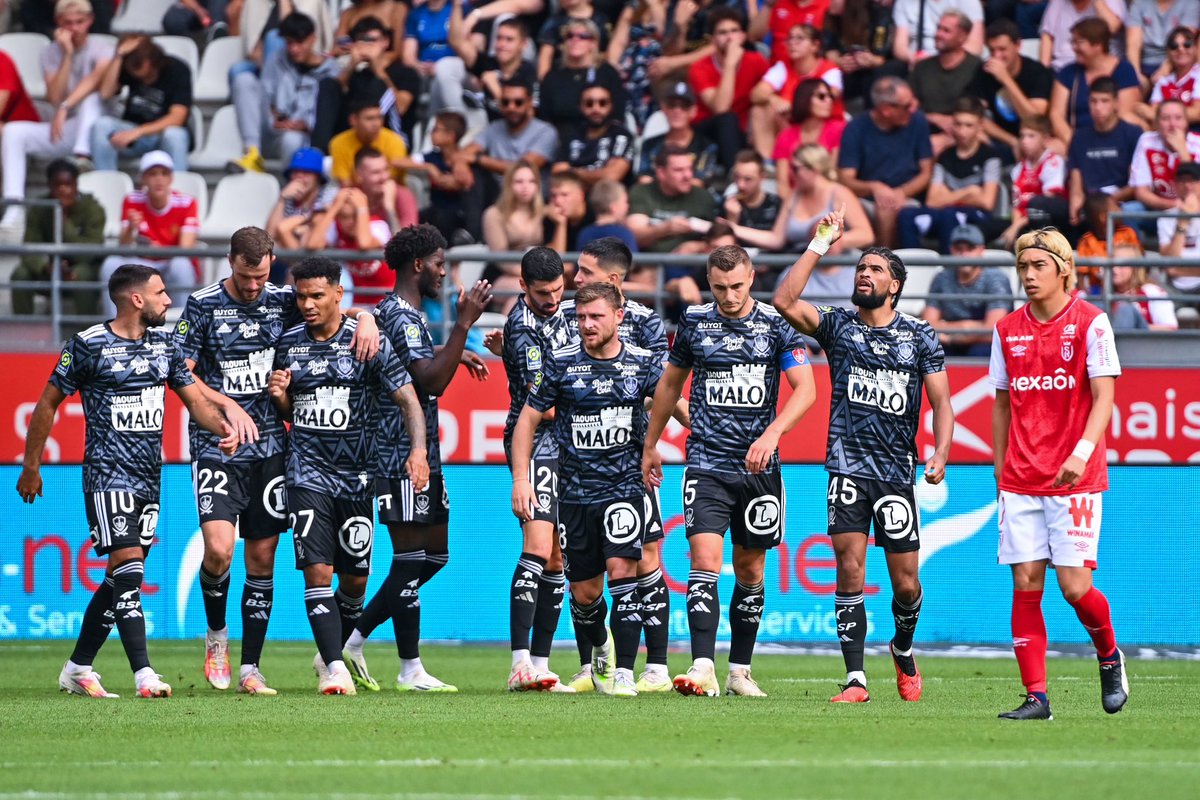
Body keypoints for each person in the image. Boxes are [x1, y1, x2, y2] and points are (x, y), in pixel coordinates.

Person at [17, 264, 241, 700]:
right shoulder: (87, 345)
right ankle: (144, 674)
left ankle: (78, 667)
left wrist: (223, 429)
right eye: (160, 293)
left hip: (148, 477)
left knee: (119, 579)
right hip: (107, 474)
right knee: (130, 570)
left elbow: (194, 401)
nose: (168, 300)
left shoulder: (165, 346)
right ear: (136, 299)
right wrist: (31, 465)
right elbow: (47, 403)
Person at [771, 207, 954, 704]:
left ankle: (902, 647)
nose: (864, 274)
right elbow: (785, 300)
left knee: (906, 584)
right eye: (860, 268)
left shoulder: (919, 335)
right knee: (849, 567)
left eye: (875, 269)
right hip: (845, 466)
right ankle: (856, 679)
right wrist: (820, 243)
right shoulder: (839, 327)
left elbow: (941, 403)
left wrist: (940, 451)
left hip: (896, 473)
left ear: (895, 285)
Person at [643, 245, 817, 697]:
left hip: (760, 467)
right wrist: (650, 444)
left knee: (750, 568)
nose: (730, 295)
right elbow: (669, 386)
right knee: (703, 560)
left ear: (752, 277)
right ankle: (703, 665)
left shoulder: (776, 325)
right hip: (707, 462)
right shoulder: (694, 322)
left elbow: (806, 390)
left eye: (737, 286)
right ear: (709, 282)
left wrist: (772, 434)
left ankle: (740, 671)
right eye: (720, 287)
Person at [339, 225, 492, 693]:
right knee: (409, 560)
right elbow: (429, 382)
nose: (445, 272)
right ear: (419, 264)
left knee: (435, 555)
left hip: (423, 453)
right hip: (400, 453)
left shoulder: (406, 316)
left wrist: (453, 350)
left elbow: (419, 365)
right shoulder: (400, 316)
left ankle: (353, 640)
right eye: (440, 263)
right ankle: (407, 667)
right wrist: (463, 325)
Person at [267, 256, 428, 695]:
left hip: (357, 478)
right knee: (317, 571)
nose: (307, 304)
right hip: (306, 474)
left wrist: (418, 451)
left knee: (355, 581)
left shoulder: (366, 341)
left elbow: (409, 400)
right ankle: (335, 668)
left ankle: (329, 652)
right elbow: (291, 412)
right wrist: (281, 398)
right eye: (301, 296)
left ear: (339, 294)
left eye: (317, 295)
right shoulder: (289, 342)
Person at [988, 227, 1128, 720]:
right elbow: (1001, 404)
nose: (1028, 275)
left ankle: (1109, 655)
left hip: (1075, 478)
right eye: (1022, 267)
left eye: (1038, 266)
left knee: (1074, 587)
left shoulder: (1091, 322)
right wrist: (1000, 467)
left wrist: (1082, 451)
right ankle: (1037, 697)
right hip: (1020, 477)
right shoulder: (1006, 329)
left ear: (1064, 270)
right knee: (1025, 582)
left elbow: (1105, 396)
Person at [511, 283, 665, 697]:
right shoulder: (560, 362)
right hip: (575, 494)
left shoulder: (642, 362)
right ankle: (601, 644)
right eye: (580, 317)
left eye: (596, 316)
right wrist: (522, 479)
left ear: (618, 317)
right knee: (584, 594)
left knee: (623, 572)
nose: (587, 324)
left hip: (623, 487)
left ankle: (625, 674)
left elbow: (670, 399)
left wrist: (655, 443)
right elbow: (527, 421)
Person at [557, 237, 680, 691]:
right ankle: (593, 664)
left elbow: (661, 392)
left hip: (631, 464)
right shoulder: (568, 321)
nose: (576, 278)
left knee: (644, 558)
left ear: (612, 281)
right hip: (577, 464)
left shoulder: (645, 324)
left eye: (585, 272)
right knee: (584, 582)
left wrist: (654, 440)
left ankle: (655, 666)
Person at [498, 248, 577, 692]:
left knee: (558, 555)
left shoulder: (566, 310)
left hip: (566, 445)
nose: (552, 299)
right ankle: (519, 662)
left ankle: (541, 664)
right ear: (523, 286)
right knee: (538, 545)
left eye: (558, 290)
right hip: (536, 443)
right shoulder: (523, 328)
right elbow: (542, 407)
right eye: (542, 293)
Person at [1, 0, 113, 227]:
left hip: (96, 129)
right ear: (58, 23)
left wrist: (64, 107)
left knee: (91, 100)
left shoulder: (104, 48)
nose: (75, 28)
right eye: (68, 23)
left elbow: (93, 83)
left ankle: (82, 157)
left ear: (90, 21)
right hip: (67, 127)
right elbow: (54, 96)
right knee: (13, 131)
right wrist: (67, 55)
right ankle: (14, 205)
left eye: (79, 22)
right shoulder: (50, 52)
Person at [228, 11, 338, 174]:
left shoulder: (332, 71)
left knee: (291, 139)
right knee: (243, 80)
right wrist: (273, 118)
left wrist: (306, 124)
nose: (294, 49)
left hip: (304, 138)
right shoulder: (276, 58)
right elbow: (265, 95)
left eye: (300, 42)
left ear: (313, 39)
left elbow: (329, 115)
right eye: (289, 43)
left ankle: (291, 183)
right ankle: (252, 153)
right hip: (271, 132)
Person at [306, 148, 417, 306]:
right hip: (355, 299)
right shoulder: (349, 198)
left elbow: (405, 244)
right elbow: (312, 244)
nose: (384, 177)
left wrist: (387, 207)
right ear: (359, 175)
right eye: (376, 172)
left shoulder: (378, 222)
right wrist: (334, 208)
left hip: (387, 299)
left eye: (385, 170)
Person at [455, 78, 560, 240]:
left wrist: (479, 159)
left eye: (518, 102)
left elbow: (523, 166)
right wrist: (461, 164)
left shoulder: (545, 131)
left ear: (530, 103)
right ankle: (472, 235)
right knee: (473, 172)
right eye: (505, 102)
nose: (511, 107)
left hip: (529, 191)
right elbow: (465, 153)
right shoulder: (494, 128)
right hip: (496, 191)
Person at [98, 151, 199, 318]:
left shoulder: (187, 203)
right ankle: (114, 324)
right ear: (143, 179)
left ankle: (184, 325)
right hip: (142, 262)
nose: (159, 179)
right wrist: (131, 228)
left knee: (181, 265)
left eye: (164, 174)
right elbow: (124, 247)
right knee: (111, 263)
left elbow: (185, 249)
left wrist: (157, 250)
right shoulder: (131, 199)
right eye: (152, 174)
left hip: (170, 262)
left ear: (171, 179)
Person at [837, 76, 934, 248]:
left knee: (887, 206)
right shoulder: (856, 128)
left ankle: (882, 257)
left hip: (908, 196)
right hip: (865, 200)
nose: (913, 108)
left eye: (913, 102)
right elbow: (845, 178)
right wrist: (874, 187)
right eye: (907, 106)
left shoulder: (918, 121)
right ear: (886, 109)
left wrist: (902, 192)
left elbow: (926, 171)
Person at [898, 97, 1004, 251]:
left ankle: (950, 265)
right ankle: (912, 265)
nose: (962, 131)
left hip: (977, 217)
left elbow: (987, 202)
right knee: (906, 215)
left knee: (949, 215)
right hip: (944, 214)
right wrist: (968, 192)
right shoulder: (944, 156)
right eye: (958, 124)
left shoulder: (990, 156)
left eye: (968, 125)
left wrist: (947, 196)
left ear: (980, 126)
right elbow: (932, 201)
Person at [726, 144, 873, 255]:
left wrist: (827, 241)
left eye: (796, 168)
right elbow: (776, 239)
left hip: (834, 264)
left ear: (814, 169)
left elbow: (866, 235)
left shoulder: (839, 193)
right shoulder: (794, 196)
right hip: (799, 263)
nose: (791, 173)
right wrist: (734, 229)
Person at [313, 15, 421, 152]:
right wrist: (352, 64)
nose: (367, 46)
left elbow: (400, 108)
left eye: (372, 40)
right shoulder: (356, 74)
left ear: (385, 42)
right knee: (328, 84)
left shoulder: (405, 72)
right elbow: (333, 95)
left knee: (376, 85)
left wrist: (378, 70)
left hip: (390, 139)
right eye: (361, 40)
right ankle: (320, 152)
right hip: (354, 136)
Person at [13, 159, 105, 316]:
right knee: (20, 274)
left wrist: (63, 221)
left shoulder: (93, 209)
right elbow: (29, 249)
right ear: (49, 186)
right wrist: (45, 267)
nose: (63, 190)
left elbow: (90, 252)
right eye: (57, 185)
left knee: (82, 274)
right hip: (50, 267)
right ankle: (23, 326)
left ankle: (85, 329)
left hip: (84, 265)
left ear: (76, 184)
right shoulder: (40, 208)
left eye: (68, 184)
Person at [92, 36, 192, 171]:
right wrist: (118, 56)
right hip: (134, 134)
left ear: (152, 60)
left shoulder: (177, 69)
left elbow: (177, 118)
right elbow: (105, 93)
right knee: (102, 125)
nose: (135, 72)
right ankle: (106, 179)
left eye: (139, 65)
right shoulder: (128, 67)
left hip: (161, 134)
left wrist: (139, 131)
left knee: (175, 135)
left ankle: (178, 183)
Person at [687, 8, 768, 168]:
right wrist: (730, 65)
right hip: (706, 133)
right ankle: (734, 175)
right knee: (727, 119)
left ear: (743, 36)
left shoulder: (756, 61)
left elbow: (770, 91)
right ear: (713, 39)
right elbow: (721, 109)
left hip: (742, 133)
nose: (730, 37)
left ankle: (767, 165)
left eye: (734, 31)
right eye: (722, 33)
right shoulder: (699, 68)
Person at [750, 24, 843, 161]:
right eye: (790, 38)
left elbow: (828, 98)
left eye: (800, 38)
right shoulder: (783, 66)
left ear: (815, 46)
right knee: (760, 108)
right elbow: (756, 94)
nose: (793, 43)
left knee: (788, 112)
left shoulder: (830, 70)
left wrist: (791, 105)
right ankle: (767, 163)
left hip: (825, 126)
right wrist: (773, 99)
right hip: (793, 124)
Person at [921, 224, 1013, 356]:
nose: (964, 254)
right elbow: (928, 325)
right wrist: (966, 327)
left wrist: (951, 334)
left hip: (983, 343)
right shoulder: (941, 278)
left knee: (981, 352)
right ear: (951, 249)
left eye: (970, 248)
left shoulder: (996, 278)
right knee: (931, 350)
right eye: (958, 248)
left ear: (981, 250)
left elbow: (993, 329)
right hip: (950, 342)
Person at [1048, 17, 1142, 146]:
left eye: (1079, 42)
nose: (1074, 48)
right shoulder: (1068, 72)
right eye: (1072, 42)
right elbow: (1056, 115)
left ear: (1098, 44)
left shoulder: (1124, 70)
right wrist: (1074, 144)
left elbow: (1125, 114)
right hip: (1075, 139)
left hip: (1114, 141)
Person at [1065, 76, 1144, 225]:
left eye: (1104, 101)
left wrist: (1107, 202)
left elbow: (1136, 184)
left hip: (1121, 201)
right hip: (1089, 202)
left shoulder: (1133, 134)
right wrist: (1076, 200)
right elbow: (1076, 183)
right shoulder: (1079, 137)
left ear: (1116, 103)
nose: (1098, 107)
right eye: (1093, 101)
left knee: (1130, 210)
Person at [977, 17, 1055, 158]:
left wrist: (1006, 79)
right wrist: (1012, 141)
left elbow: (1035, 120)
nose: (996, 56)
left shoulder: (1038, 72)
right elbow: (977, 117)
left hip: (1034, 138)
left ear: (1018, 45)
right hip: (1002, 138)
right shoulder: (984, 71)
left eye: (1002, 49)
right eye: (992, 50)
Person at [537, 18, 628, 135]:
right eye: (570, 36)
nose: (575, 40)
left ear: (593, 43)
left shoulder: (607, 73)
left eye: (583, 36)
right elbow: (544, 118)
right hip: (560, 139)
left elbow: (617, 113)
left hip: (601, 138)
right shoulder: (553, 76)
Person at [442, 7, 537, 118]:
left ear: (523, 44)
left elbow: (529, 118)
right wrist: (457, 4)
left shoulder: (528, 72)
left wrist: (494, 87)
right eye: (499, 38)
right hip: (489, 127)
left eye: (509, 39)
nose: (502, 44)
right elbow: (456, 42)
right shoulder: (488, 63)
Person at [909, 10, 983, 146]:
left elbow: (980, 109)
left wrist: (955, 123)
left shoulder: (977, 68)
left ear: (962, 37)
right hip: (924, 130)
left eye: (946, 31)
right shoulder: (922, 67)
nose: (938, 34)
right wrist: (934, 118)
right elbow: (907, 107)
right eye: (938, 28)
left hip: (963, 133)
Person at [482, 160, 548, 310]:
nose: (525, 186)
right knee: (525, 289)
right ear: (508, 185)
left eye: (531, 181)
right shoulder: (494, 214)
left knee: (524, 295)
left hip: (535, 275)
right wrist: (532, 274)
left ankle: (511, 325)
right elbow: (500, 258)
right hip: (500, 275)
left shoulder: (544, 212)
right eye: (519, 181)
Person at [1000, 115, 1068, 248]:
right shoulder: (1018, 169)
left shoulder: (1053, 162)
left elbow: (1047, 203)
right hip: (1025, 220)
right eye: (1022, 136)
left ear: (1045, 139)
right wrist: (1015, 227)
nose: (1025, 141)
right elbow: (1017, 204)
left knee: (1037, 203)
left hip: (1052, 218)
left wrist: (1017, 226)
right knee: (993, 227)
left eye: (1031, 136)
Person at [771, 77, 845, 198]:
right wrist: (795, 206)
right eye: (821, 96)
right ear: (804, 99)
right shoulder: (785, 136)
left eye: (830, 96)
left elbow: (832, 176)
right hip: (794, 200)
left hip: (829, 199)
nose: (829, 101)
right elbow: (782, 184)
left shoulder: (839, 129)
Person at [636, 81, 720, 187]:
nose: (677, 111)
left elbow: (699, 183)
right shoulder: (650, 145)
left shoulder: (706, 147)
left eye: (684, 106)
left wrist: (664, 182)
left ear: (693, 111)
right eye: (671, 105)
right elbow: (644, 179)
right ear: (663, 109)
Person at [551, 84, 636, 187]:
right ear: (581, 106)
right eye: (589, 103)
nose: (596, 109)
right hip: (574, 193)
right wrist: (598, 174)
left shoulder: (621, 135)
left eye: (602, 103)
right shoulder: (570, 135)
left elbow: (612, 176)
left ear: (610, 106)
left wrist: (573, 172)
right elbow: (558, 172)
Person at [1130, 99, 1200, 214]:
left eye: (1178, 118)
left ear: (1186, 122)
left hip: (1194, 209)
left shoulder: (1197, 143)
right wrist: (1173, 205)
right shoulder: (1147, 141)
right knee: (1129, 209)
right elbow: (1141, 192)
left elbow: (1197, 193)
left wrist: (1183, 153)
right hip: (1159, 208)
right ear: (1157, 123)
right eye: (1165, 118)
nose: (1172, 125)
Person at [607, 0, 667, 129]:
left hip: (653, 76)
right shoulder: (633, 5)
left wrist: (653, 4)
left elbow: (662, 33)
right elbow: (618, 41)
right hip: (627, 74)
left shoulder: (673, 6)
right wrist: (612, 67)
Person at [329, 99, 410, 187]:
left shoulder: (394, 140)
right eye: (370, 118)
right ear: (353, 120)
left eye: (379, 118)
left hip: (390, 189)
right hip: (354, 191)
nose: (376, 124)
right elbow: (345, 183)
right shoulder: (339, 143)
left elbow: (393, 180)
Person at [1039, 0, 1127, 72]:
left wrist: (1098, 2)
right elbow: (1047, 35)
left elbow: (1112, 28)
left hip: (1102, 69)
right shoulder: (1058, 2)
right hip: (1061, 67)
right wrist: (1043, 70)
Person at [892, 0, 985, 67]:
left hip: (959, 61)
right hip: (918, 61)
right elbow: (900, 47)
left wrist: (938, 63)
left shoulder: (968, 2)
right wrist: (913, 58)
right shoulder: (903, 2)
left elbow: (975, 47)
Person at [1110, 242, 1180, 329]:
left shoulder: (1152, 292)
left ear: (1135, 268)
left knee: (1125, 309)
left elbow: (1170, 328)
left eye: (1121, 265)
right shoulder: (1105, 293)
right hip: (1113, 337)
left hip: (1142, 337)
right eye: (1112, 264)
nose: (1114, 269)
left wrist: (1136, 328)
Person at [1125, 0, 1198, 84]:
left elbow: (1185, 42)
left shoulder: (1190, 3)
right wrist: (1136, 75)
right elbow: (1133, 44)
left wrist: (1163, 72)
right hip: (1145, 63)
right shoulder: (1139, 3)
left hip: (1175, 63)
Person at [724, 149, 783, 233]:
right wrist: (732, 220)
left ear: (762, 177)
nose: (741, 185)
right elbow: (721, 240)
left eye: (748, 179)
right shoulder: (727, 204)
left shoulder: (776, 205)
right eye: (737, 177)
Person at [578, 180, 638, 252]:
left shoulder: (585, 234)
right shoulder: (624, 234)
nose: (627, 206)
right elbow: (632, 258)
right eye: (625, 202)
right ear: (614, 207)